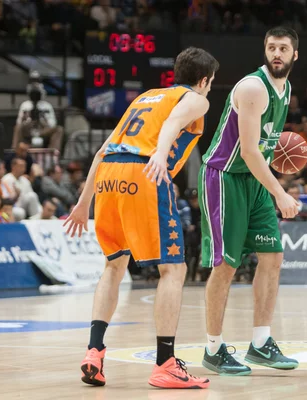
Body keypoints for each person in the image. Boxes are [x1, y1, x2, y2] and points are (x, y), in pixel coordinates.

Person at [63, 47, 218, 389]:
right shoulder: (196, 99)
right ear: (204, 80)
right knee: (173, 270)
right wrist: (161, 155)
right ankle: (165, 362)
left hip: (107, 176)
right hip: (144, 172)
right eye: (209, 83)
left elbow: (105, 148)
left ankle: (94, 352)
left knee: (114, 265)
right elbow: (176, 122)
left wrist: (82, 203)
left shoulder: (147, 97)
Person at [199, 27, 300, 376]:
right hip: (225, 177)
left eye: (283, 48)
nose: (276, 53)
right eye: (271, 47)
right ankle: (213, 348)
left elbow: (265, 149)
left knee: (273, 257)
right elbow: (247, 150)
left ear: (294, 55)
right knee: (226, 265)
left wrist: (273, 184)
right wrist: (280, 192)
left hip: (254, 179)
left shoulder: (285, 90)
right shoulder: (253, 88)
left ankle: (260, 343)